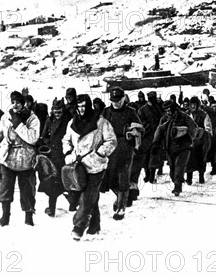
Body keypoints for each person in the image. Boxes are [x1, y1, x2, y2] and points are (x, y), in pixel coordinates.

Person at [62, 94, 117, 240]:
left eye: (84, 106)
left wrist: (99, 153)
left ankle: (78, 227)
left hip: (95, 165)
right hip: (77, 165)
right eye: (78, 106)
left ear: (89, 106)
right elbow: (66, 140)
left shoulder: (101, 122)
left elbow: (111, 141)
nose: (81, 109)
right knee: (89, 196)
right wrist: (68, 153)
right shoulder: (72, 123)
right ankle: (94, 225)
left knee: (87, 197)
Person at [0, 91, 40, 226]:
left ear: (23, 104)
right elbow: (0, 132)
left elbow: (32, 138)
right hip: (8, 156)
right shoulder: (7, 116)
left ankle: (28, 216)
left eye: (18, 102)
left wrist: (18, 125)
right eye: (13, 102)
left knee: (27, 189)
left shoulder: (32, 118)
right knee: (5, 187)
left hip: (25, 157)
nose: (15, 105)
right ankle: (5, 216)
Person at [100, 87, 142, 220]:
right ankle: (120, 198)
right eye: (113, 101)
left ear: (123, 98)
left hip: (125, 148)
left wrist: (132, 132)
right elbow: (98, 127)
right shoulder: (106, 112)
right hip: (110, 148)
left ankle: (121, 209)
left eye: (118, 100)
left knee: (123, 178)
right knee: (110, 179)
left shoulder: (131, 112)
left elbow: (139, 128)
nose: (116, 103)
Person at [152, 100, 198, 196]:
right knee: (172, 168)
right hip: (170, 147)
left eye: (169, 110)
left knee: (179, 166)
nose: (168, 113)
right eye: (166, 111)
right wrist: (156, 143)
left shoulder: (183, 116)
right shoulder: (164, 119)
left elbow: (193, 127)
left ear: (174, 109)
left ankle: (178, 187)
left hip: (183, 147)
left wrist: (189, 138)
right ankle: (176, 181)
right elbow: (159, 130)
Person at [38, 98, 73, 217]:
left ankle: (73, 203)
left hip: (64, 155)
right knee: (52, 184)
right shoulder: (49, 121)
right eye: (55, 111)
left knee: (67, 181)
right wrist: (48, 143)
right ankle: (52, 209)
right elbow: (43, 136)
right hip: (52, 155)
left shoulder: (68, 121)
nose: (57, 114)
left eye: (59, 112)